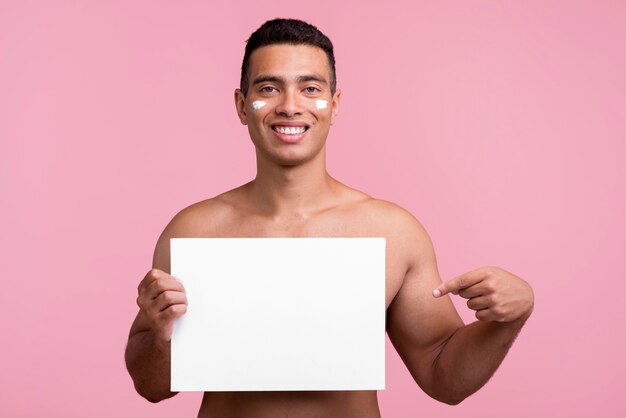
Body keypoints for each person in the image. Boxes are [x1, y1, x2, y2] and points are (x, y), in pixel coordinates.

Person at [124, 18, 534, 417]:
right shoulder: (195, 231)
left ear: (334, 106)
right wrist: (160, 337)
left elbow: (442, 376)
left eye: (310, 88)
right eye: (269, 88)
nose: (290, 105)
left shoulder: (391, 232)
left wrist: (508, 320)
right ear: (242, 105)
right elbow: (152, 386)